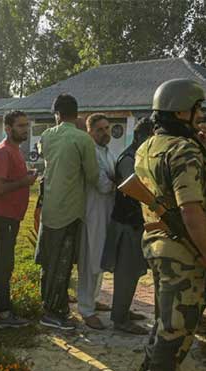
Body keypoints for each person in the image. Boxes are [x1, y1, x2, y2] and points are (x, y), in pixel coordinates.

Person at [130, 79, 206, 371]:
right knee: (176, 326)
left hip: (159, 246)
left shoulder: (148, 146)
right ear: (181, 110)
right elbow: (191, 211)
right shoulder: (184, 149)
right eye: (197, 109)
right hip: (185, 251)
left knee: (164, 318)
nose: (201, 116)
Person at [35, 94, 99, 331]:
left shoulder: (46, 136)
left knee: (48, 261)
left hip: (50, 207)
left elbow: (45, 156)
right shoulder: (83, 139)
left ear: (57, 114)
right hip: (71, 210)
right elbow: (93, 175)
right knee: (62, 264)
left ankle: (49, 304)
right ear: (76, 113)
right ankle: (54, 311)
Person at [101, 117, 154, 335]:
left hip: (134, 224)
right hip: (127, 225)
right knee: (126, 274)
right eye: (150, 137)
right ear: (139, 136)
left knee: (132, 273)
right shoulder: (128, 159)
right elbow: (135, 188)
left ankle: (122, 310)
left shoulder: (138, 157)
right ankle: (120, 319)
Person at [0, 110, 36, 329]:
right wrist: (25, 182)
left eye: (26, 125)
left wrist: (25, 178)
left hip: (13, 215)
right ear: (7, 128)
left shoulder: (15, 150)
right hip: (4, 216)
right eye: (20, 126)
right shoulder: (3, 152)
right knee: (4, 263)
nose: (25, 129)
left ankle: (4, 306)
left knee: (6, 263)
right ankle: (3, 312)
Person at [76, 113, 115, 330]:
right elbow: (103, 184)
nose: (105, 133)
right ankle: (86, 309)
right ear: (89, 132)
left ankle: (94, 299)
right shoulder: (90, 151)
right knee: (89, 261)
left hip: (106, 211)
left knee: (100, 258)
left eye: (107, 128)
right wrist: (115, 182)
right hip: (92, 213)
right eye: (99, 129)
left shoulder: (108, 152)